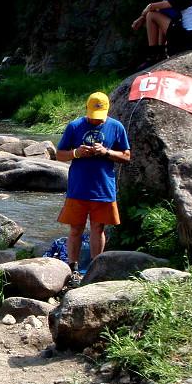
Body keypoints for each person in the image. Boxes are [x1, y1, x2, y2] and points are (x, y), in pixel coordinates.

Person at [55, 92, 131, 283]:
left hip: (103, 187)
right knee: (75, 229)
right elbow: (60, 155)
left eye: (99, 117)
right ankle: (73, 269)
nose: (95, 120)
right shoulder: (74, 126)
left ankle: (95, 269)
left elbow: (126, 156)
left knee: (98, 229)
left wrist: (106, 152)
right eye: (92, 116)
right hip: (78, 187)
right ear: (86, 109)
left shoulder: (116, 127)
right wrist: (77, 153)